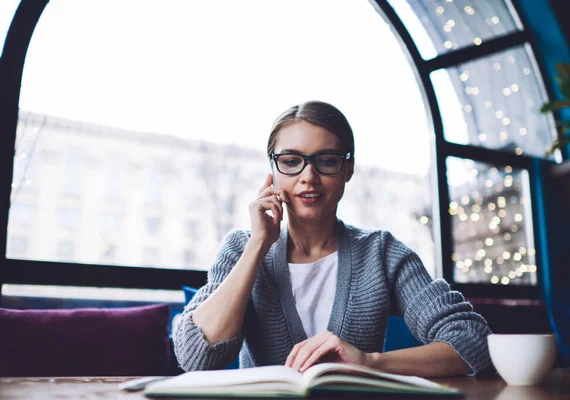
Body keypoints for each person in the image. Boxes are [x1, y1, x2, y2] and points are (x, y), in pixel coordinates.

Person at [173, 100, 493, 377]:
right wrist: (258, 244)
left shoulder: (382, 253)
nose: (308, 177)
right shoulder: (241, 247)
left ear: (348, 169)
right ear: (273, 168)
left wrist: (369, 362)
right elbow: (195, 357)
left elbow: (473, 340)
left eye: (327, 161)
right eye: (291, 161)